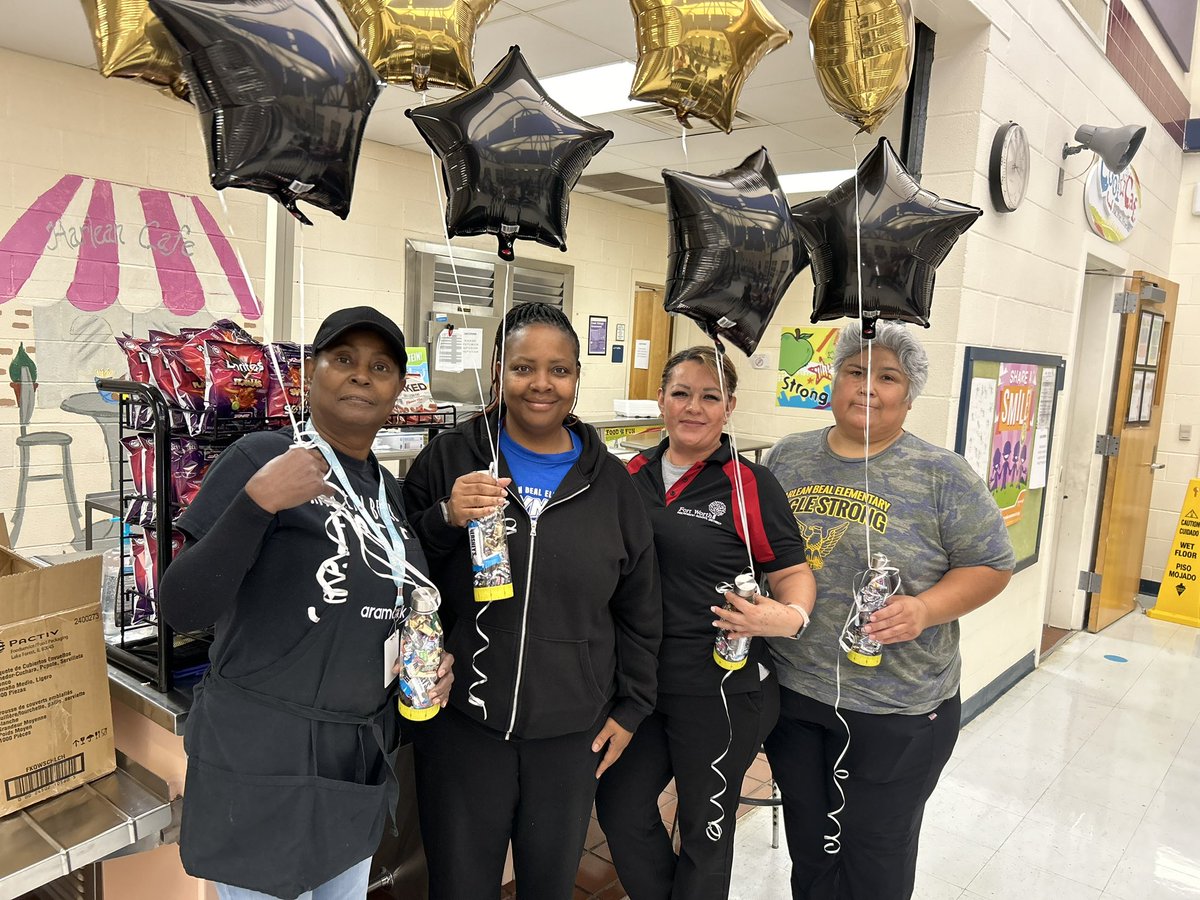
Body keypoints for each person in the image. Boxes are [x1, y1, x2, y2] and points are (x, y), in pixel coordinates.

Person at [160, 307, 454, 900]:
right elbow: (181, 607)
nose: (361, 375)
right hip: (259, 755)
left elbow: (401, 608)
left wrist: (428, 669)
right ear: (309, 374)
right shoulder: (260, 457)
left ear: (399, 389)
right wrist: (254, 504)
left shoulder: (387, 495)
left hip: (352, 759)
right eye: (342, 359)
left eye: (380, 366)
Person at [717, 321, 1014, 900]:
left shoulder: (941, 474)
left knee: (875, 854)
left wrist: (925, 609)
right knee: (813, 844)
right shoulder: (788, 457)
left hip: (898, 707)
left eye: (888, 377)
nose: (868, 387)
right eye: (855, 371)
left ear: (909, 393)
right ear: (834, 381)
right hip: (798, 694)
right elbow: (765, 549)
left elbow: (990, 565)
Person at [401, 301, 662, 900]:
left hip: (572, 736)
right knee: (460, 886)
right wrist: (444, 518)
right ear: (498, 372)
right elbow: (399, 568)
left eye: (559, 370)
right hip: (461, 725)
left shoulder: (611, 484)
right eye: (523, 367)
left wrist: (632, 708)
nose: (541, 384)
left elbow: (640, 606)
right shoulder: (450, 457)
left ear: (576, 378)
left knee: (548, 886)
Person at [595, 346, 816, 900]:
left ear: (729, 407)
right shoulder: (632, 475)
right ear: (662, 401)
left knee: (704, 829)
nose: (694, 407)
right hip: (640, 685)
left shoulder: (749, 484)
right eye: (681, 393)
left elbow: (793, 574)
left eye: (710, 396)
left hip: (720, 688)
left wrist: (787, 617)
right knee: (619, 806)